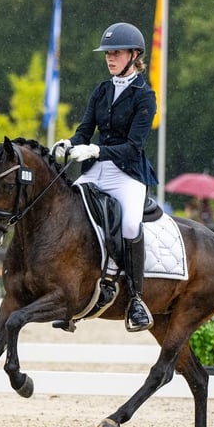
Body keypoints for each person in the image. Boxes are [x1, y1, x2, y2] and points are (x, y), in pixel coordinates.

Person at [53, 22, 158, 332]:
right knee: (68, 213)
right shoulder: (102, 90)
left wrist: (97, 152)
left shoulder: (145, 96)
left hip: (128, 173)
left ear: (134, 55)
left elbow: (133, 146)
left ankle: (137, 300)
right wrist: (70, 143)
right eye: (108, 54)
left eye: (116, 53)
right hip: (96, 170)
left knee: (128, 224)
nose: (110, 58)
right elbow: (85, 131)